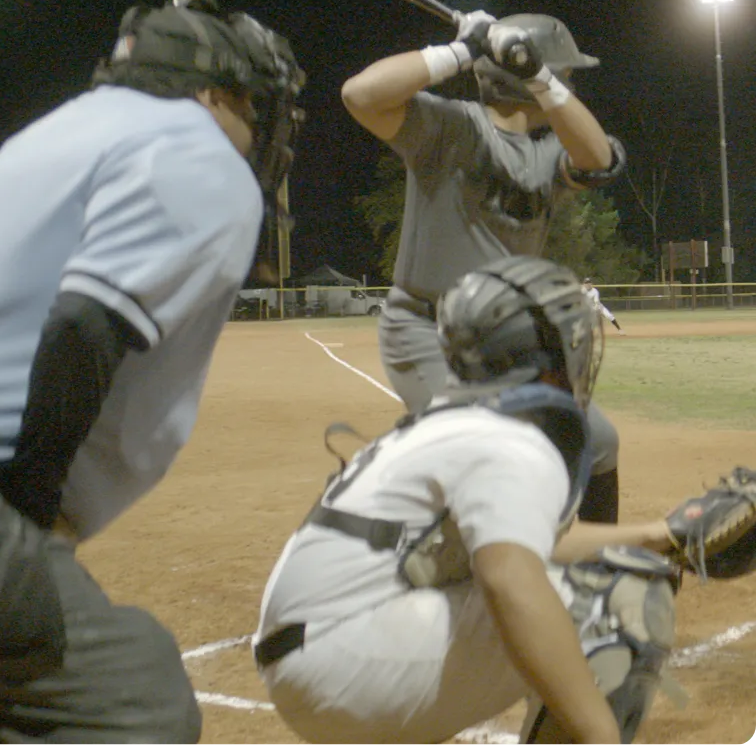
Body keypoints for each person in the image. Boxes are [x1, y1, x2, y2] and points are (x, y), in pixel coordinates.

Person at [0, 0, 305, 744]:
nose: (260, 131)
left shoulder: (65, 131)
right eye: (253, 106)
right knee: (135, 702)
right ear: (210, 92)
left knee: (16, 674)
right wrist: (23, 513)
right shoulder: (199, 154)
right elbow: (82, 326)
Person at [253, 256, 681, 745]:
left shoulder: (454, 420)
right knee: (621, 599)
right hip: (345, 663)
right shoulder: (510, 440)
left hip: (315, 654)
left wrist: (661, 534)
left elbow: (531, 542)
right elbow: (509, 576)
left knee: (586, 571)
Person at [341, 11, 626, 524]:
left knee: (598, 441)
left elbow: (599, 158)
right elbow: (360, 95)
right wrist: (462, 49)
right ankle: (426, 568)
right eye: (564, 72)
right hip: (427, 331)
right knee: (484, 452)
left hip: (506, 344)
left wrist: (538, 76)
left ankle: (600, 575)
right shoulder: (448, 128)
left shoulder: (548, 155)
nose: (570, 81)